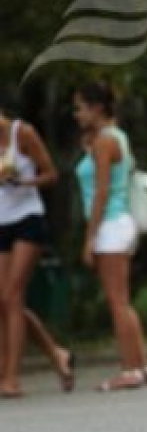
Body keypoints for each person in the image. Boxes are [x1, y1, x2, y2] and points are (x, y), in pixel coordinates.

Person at [72, 81, 147, 390]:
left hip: (109, 225)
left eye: (80, 107)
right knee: (123, 301)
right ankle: (143, 365)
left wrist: (89, 237)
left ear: (96, 108)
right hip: (121, 223)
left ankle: (130, 370)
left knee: (117, 303)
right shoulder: (116, 136)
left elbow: (101, 191)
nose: (76, 114)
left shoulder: (103, 142)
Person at [0, 109, 76, 397]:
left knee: (12, 297)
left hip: (27, 218)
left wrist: (22, 182)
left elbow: (51, 174)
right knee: (2, 301)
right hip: (1, 221)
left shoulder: (23, 133)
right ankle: (57, 353)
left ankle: (11, 377)